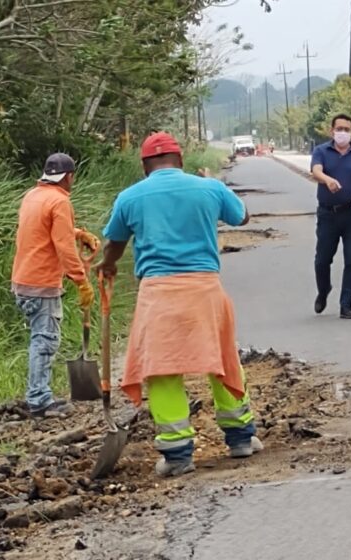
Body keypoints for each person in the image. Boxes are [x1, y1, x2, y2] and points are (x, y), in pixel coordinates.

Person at [96, 132, 261, 477]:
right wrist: (214, 184)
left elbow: (115, 243)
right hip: (205, 289)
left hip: (159, 294)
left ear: (145, 166)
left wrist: (108, 266)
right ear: (181, 161)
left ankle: (177, 456)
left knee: (162, 370)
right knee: (222, 362)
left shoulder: (130, 197)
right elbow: (242, 217)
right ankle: (241, 439)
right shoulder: (209, 189)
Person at [12, 153, 98, 418]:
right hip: (42, 283)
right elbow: (63, 246)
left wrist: (78, 233)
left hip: (23, 279)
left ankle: (39, 394)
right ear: (69, 177)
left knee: (41, 337)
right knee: (45, 340)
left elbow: (46, 229)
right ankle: (39, 399)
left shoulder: (33, 196)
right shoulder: (60, 201)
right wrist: (81, 281)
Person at [310, 114, 351, 319]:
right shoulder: (321, 151)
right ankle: (323, 289)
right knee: (322, 260)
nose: (343, 133)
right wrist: (327, 180)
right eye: (339, 129)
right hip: (328, 214)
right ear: (332, 131)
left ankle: (346, 304)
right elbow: (316, 171)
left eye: (347, 129)